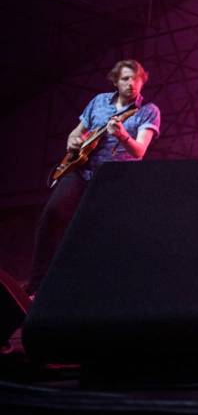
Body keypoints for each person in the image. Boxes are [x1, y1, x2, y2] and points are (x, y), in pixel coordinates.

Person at [25, 60, 161, 295]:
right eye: (126, 78)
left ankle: (101, 289)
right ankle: (37, 286)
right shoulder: (98, 102)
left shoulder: (149, 110)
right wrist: (74, 143)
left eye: (136, 79)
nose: (132, 83)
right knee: (53, 213)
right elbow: (75, 134)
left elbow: (139, 151)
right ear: (115, 82)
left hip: (114, 178)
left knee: (101, 231)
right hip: (81, 169)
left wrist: (122, 135)